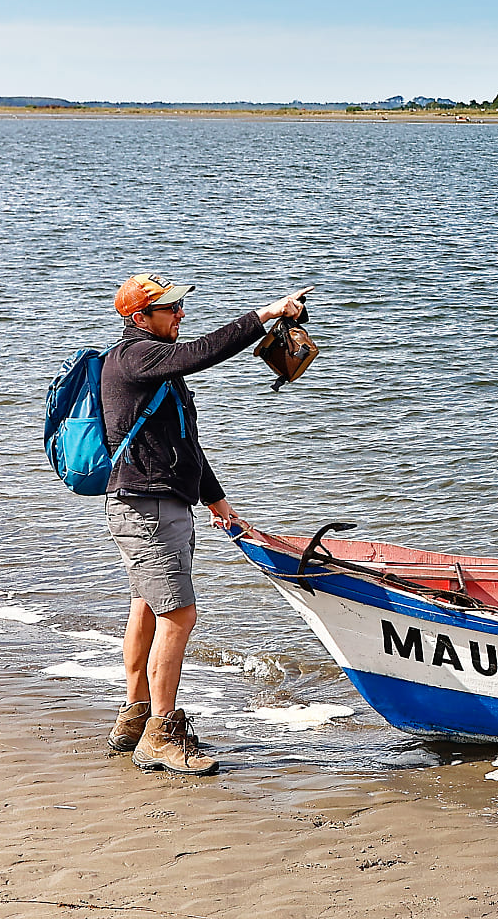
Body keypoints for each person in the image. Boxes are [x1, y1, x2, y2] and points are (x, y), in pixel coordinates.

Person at [102, 272, 311, 774]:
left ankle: (134, 719)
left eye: (178, 307)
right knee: (179, 614)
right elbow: (204, 351)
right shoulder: (135, 357)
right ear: (139, 319)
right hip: (146, 506)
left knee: (149, 608)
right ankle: (161, 733)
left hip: (156, 502)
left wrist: (216, 502)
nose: (179, 315)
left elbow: (185, 445)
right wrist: (267, 314)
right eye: (169, 309)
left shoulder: (157, 368)